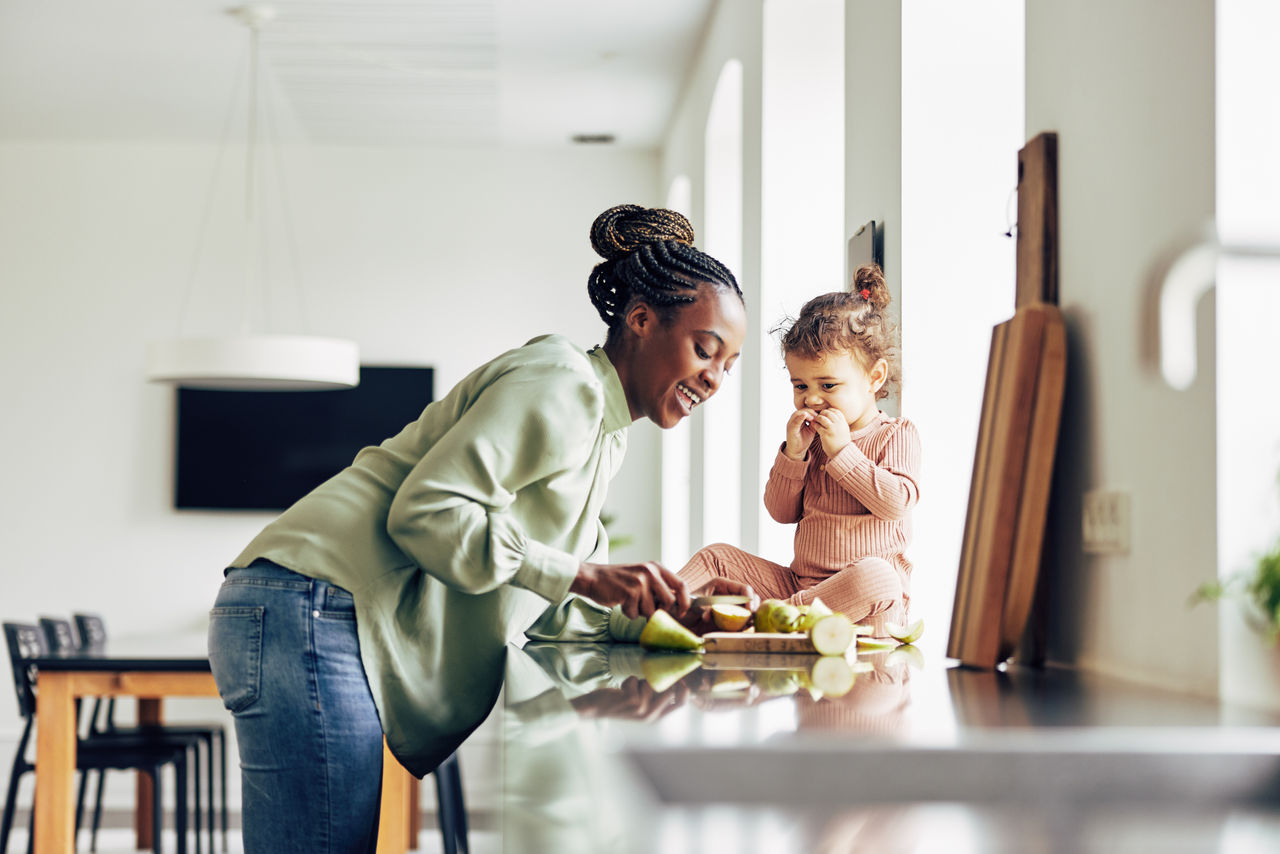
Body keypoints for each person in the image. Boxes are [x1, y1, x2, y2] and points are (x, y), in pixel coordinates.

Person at [206, 203, 750, 853]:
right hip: (308, 602)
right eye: (705, 350)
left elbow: (554, 601)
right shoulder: (562, 381)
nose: (714, 379)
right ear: (639, 320)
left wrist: (676, 616)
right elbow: (429, 513)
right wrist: (582, 573)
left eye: (729, 365)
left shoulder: (604, 435)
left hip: (310, 608)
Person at [679, 264, 921, 637]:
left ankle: (771, 618)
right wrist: (793, 456)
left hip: (861, 602)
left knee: (880, 577)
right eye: (800, 385)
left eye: (828, 385)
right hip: (801, 587)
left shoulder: (896, 434)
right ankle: (655, 608)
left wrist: (843, 454)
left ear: (874, 378)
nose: (811, 398)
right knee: (716, 557)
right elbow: (780, 512)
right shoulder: (812, 443)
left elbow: (897, 503)